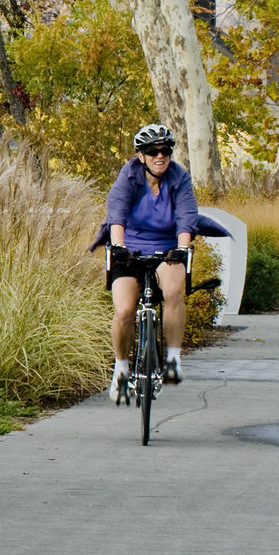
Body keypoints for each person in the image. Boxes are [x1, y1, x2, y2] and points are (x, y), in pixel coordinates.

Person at [105, 123, 198, 399]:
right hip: (129, 249)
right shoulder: (129, 176)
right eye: (152, 151)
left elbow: (186, 216)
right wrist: (119, 246)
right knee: (123, 311)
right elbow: (117, 212)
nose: (160, 156)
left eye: (166, 150)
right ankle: (121, 369)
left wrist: (181, 249)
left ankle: (172, 359)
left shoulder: (179, 177)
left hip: (166, 249)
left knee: (172, 291)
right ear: (141, 156)